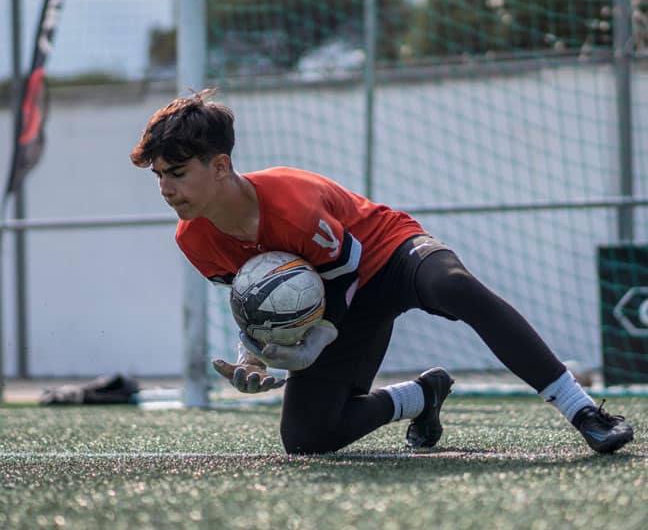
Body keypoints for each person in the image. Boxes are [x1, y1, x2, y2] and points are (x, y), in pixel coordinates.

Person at [130, 89, 634, 455]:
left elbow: (348, 270)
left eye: (178, 173)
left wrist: (321, 335)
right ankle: (421, 396)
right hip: (337, 297)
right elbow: (250, 300)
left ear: (220, 166)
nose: (166, 189)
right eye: (159, 176)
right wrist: (254, 357)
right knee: (306, 438)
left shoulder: (292, 203)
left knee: (455, 287)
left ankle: (585, 411)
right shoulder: (193, 239)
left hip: (387, 255)